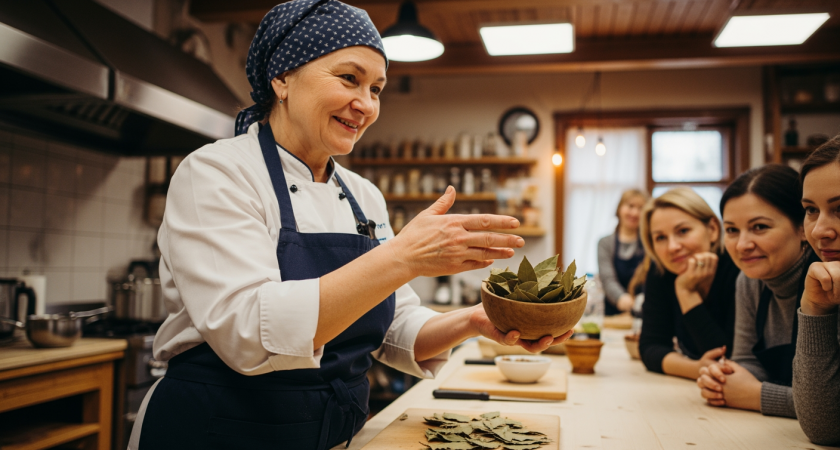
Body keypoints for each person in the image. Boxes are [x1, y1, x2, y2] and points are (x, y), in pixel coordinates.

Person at [127, 2, 569, 449]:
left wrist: (476, 320)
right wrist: (403, 257)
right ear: (282, 78)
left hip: (332, 435)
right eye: (349, 78)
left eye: (376, 88)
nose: (366, 105)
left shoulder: (363, 195)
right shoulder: (217, 173)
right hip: (218, 430)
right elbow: (248, 334)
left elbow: (395, 326)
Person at [697, 164, 819, 419]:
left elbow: (829, 407)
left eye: (760, 227)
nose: (742, 245)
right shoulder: (749, 281)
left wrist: (755, 395)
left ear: (803, 227)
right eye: (732, 230)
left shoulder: (827, 283)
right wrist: (723, 378)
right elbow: (746, 361)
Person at [638, 188, 740, 379]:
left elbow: (728, 360)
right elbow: (650, 347)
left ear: (712, 229)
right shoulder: (661, 271)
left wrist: (686, 292)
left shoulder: (738, 267)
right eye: (660, 237)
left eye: (683, 231)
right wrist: (696, 368)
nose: (672, 247)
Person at [794, 136, 840, 444]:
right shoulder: (823, 280)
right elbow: (824, 427)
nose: (820, 230)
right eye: (811, 209)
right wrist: (815, 309)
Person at [598, 189, 649, 315]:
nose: (635, 212)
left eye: (640, 208)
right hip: (614, 314)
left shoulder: (649, 243)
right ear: (619, 209)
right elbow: (608, 279)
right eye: (630, 206)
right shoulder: (605, 243)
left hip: (646, 311)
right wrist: (623, 299)